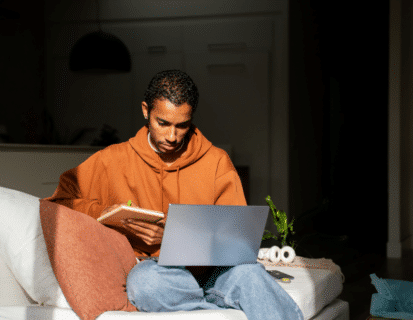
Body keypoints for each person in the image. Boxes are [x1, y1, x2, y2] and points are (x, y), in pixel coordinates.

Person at [46, 70, 303, 319]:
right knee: (145, 284)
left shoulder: (216, 161)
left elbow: (235, 241)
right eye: (163, 123)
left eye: (182, 126)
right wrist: (104, 213)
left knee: (252, 276)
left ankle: (208, 305)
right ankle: (213, 313)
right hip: (159, 272)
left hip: (214, 271)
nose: (172, 136)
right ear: (146, 111)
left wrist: (173, 234)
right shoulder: (112, 160)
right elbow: (60, 200)